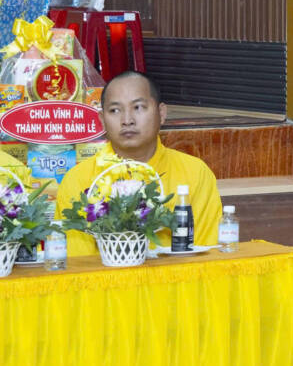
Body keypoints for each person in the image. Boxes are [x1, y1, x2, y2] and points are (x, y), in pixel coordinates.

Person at [55, 70, 222, 256]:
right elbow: (78, 263)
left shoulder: (194, 173)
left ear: (161, 113)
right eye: (115, 110)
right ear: (102, 120)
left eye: (138, 107)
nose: (127, 120)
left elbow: (207, 254)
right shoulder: (79, 180)